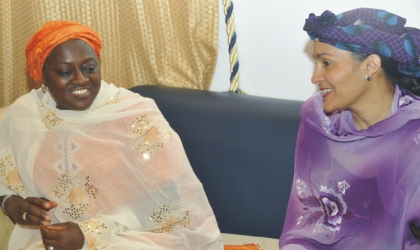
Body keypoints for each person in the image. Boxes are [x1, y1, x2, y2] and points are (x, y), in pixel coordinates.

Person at [0, 21, 223, 250]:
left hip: (133, 236)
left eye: (89, 68)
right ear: (41, 76)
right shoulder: (22, 116)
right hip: (52, 242)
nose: (80, 79)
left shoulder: (135, 113)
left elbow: (170, 193)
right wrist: (11, 203)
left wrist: (90, 234)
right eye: (65, 72)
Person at [279, 8, 420, 249]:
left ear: (371, 65)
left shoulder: (413, 136)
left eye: (327, 63)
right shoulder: (318, 120)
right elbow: (305, 218)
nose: (315, 77)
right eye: (316, 63)